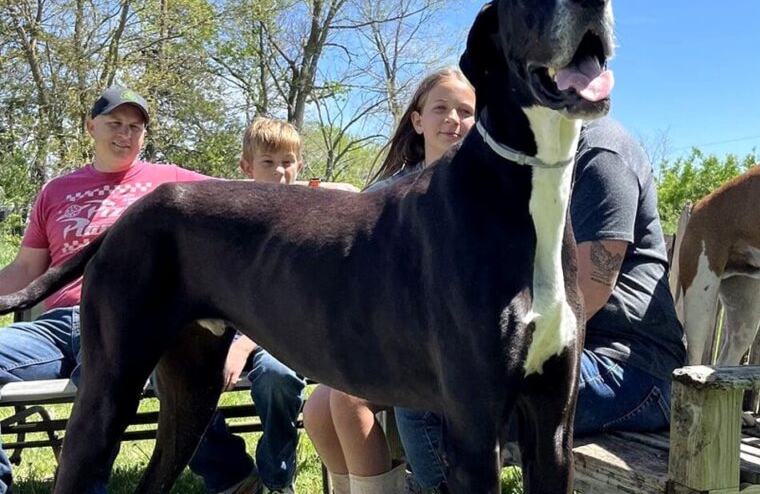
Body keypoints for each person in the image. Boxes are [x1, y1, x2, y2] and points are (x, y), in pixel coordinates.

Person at [393, 115, 687, 491]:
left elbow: (589, 292)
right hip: (575, 359)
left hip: (632, 369)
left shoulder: (600, 154)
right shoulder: (535, 162)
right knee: (421, 383)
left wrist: (496, 358)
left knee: (432, 402)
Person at [0, 86, 207, 494]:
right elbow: (27, 268)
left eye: (135, 127)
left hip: (127, 323)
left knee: (101, 389)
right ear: (90, 126)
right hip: (57, 324)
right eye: (115, 123)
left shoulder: (172, 182)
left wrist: (316, 193)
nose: (125, 134)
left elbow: (248, 194)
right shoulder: (56, 190)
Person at [301, 67, 476, 494]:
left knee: (347, 399)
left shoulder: (482, 191)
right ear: (418, 120)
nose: (453, 119)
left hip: (458, 346)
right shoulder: (389, 193)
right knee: (317, 409)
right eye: (441, 108)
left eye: (466, 111)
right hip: (397, 340)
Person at [185, 117, 312, 494]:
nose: (280, 173)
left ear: (300, 166)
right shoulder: (228, 222)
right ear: (246, 167)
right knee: (175, 379)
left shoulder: (307, 223)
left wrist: (243, 345)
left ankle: (276, 478)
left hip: (279, 335)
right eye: (268, 163)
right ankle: (231, 474)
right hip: (219, 328)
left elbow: (293, 304)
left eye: (288, 162)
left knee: (279, 377)